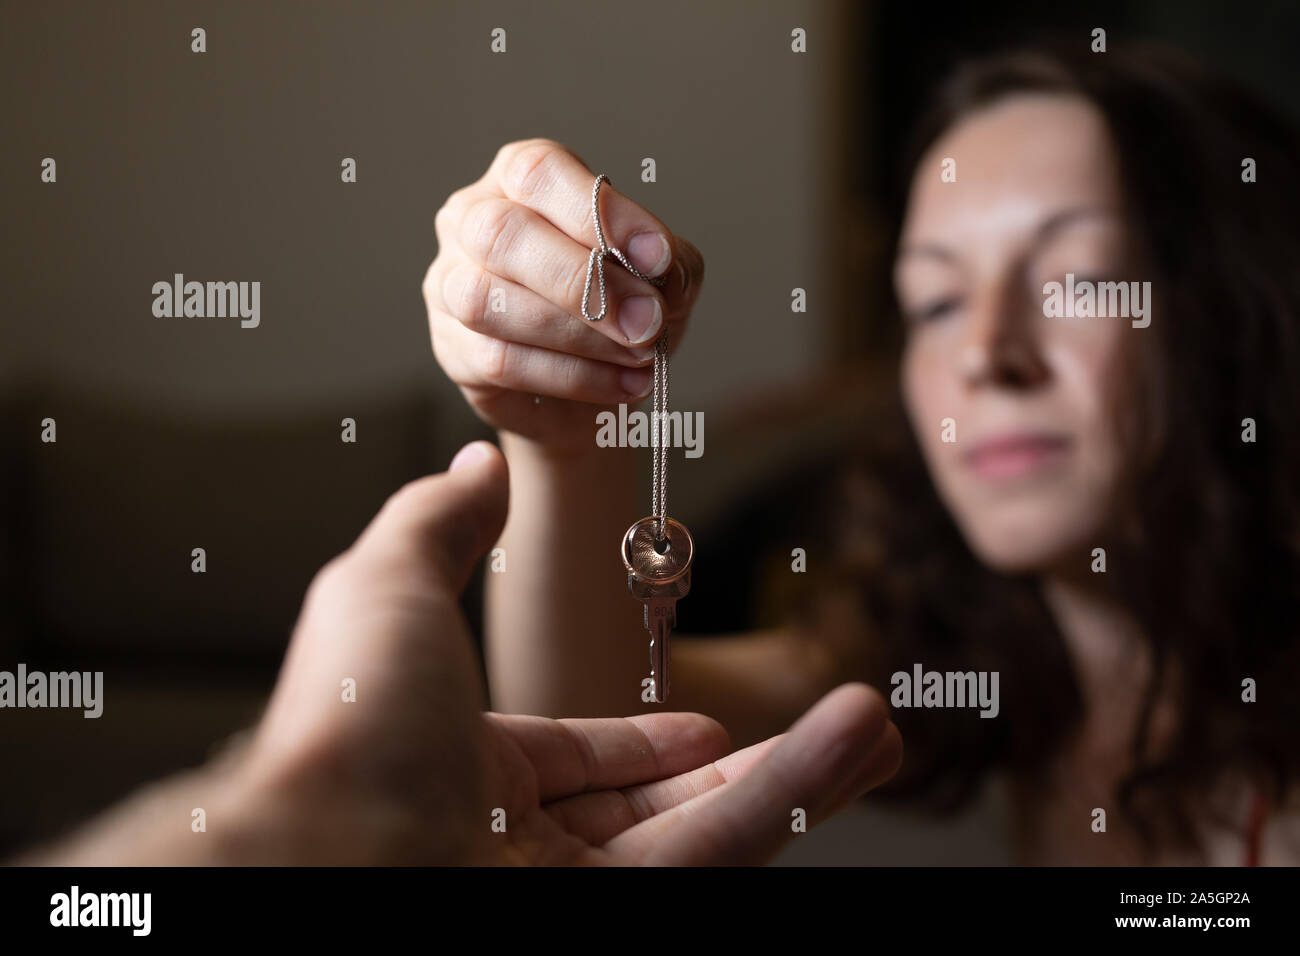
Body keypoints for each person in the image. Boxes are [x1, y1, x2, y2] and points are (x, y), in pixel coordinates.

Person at [424, 44, 1300, 864]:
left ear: (1236, 314)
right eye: (937, 303)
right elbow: (612, 736)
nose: (985, 353)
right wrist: (567, 442)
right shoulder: (936, 662)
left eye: (1076, 279)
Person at [11, 440, 902, 866]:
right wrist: (316, 825)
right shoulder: (852, 572)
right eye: (938, 300)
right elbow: (622, 712)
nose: (986, 353)